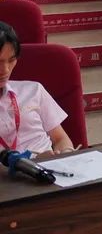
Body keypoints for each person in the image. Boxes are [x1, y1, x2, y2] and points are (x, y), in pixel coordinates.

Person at [0, 23, 75, 155]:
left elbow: (60, 138)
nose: (5, 70)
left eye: (11, 60)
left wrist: (64, 154)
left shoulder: (34, 90)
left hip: (49, 164)